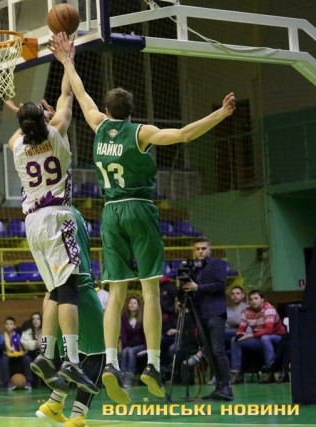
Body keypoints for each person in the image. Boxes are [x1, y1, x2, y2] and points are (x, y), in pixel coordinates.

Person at [49, 30, 236, 404]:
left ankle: (110, 362)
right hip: (139, 208)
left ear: (108, 110)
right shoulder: (142, 132)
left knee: (116, 293)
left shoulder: (98, 124)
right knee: (149, 289)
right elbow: (184, 135)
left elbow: (80, 93)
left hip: (110, 213)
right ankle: (151, 364)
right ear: (131, 111)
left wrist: (67, 60)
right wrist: (221, 112)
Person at [7, 49, 98, 396]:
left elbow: (22, 132)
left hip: (32, 224)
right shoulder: (57, 134)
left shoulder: (17, 146)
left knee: (56, 291)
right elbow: (66, 97)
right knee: (69, 289)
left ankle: (46, 355)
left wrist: (28, 117)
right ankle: (71, 360)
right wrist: (66, 60)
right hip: (58, 217)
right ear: (45, 122)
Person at [36, 206, 105, 427]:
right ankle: (77, 417)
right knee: (100, 352)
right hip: (79, 287)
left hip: (57, 296)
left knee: (75, 357)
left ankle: (54, 404)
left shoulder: (42, 217)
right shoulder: (66, 213)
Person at [180, 236, 234, 400]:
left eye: (203, 248)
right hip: (200, 314)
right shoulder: (194, 268)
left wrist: (198, 287)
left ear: (209, 250)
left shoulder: (218, 264)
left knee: (218, 350)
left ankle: (226, 387)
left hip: (215, 313)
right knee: (210, 351)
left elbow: (220, 285)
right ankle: (219, 387)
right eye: (197, 249)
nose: (200, 251)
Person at [230, 290, 286, 384]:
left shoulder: (269, 309)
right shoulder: (247, 311)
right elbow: (242, 327)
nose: (253, 301)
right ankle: (237, 373)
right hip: (259, 339)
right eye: (251, 299)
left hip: (278, 339)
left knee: (265, 338)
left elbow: (268, 330)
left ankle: (269, 372)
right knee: (235, 340)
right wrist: (239, 334)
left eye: (256, 298)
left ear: (262, 299)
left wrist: (249, 336)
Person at [120, 297, 147, 387]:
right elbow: (123, 334)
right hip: (129, 345)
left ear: (138, 306)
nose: (132, 305)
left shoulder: (143, 317)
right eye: (130, 303)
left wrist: (146, 349)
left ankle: (129, 376)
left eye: (135, 303)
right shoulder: (124, 317)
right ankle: (122, 374)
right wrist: (124, 346)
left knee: (131, 351)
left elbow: (146, 334)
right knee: (125, 351)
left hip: (141, 345)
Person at [0, 317, 33, 390]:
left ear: (14, 326)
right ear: (5, 325)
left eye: (11, 324)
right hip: (8, 356)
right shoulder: (2, 336)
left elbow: (22, 347)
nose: (8, 326)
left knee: (27, 359)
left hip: (19, 356)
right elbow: (0, 348)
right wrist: (4, 352)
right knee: (4, 360)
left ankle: (29, 382)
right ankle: (7, 383)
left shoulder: (18, 336)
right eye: (7, 324)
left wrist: (22, 352)